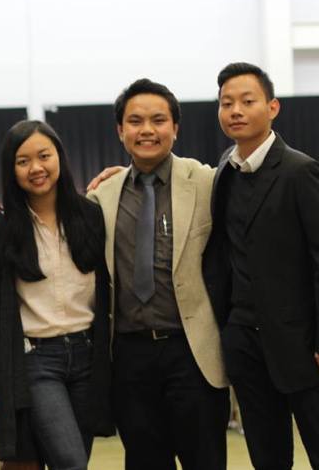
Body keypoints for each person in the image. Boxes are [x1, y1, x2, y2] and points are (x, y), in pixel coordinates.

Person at [204, 62, 319, 469]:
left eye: (247, 101)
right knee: (267, 460)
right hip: (245, 344)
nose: (235, 110)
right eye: (226, 103)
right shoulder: (224, 169)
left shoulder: (299, 171)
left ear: (272, 107)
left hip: (306, 349)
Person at [88, 78, 229, 469]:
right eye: (135, 121)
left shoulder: (207, 182)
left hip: (192, 353)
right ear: (120, 131)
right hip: (129, 357)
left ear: (175, 128)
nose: (146, 130)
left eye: (158, 120)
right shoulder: (101, 196)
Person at [0, 120, 113, 469]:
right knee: (70, 461)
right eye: (23, 161)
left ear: (59, 158)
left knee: (74, 457)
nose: (36, 168)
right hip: (37, 360)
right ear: (11, 170)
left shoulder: (92, 216)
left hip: (88, 355)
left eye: (44, 156)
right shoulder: (0, 230)